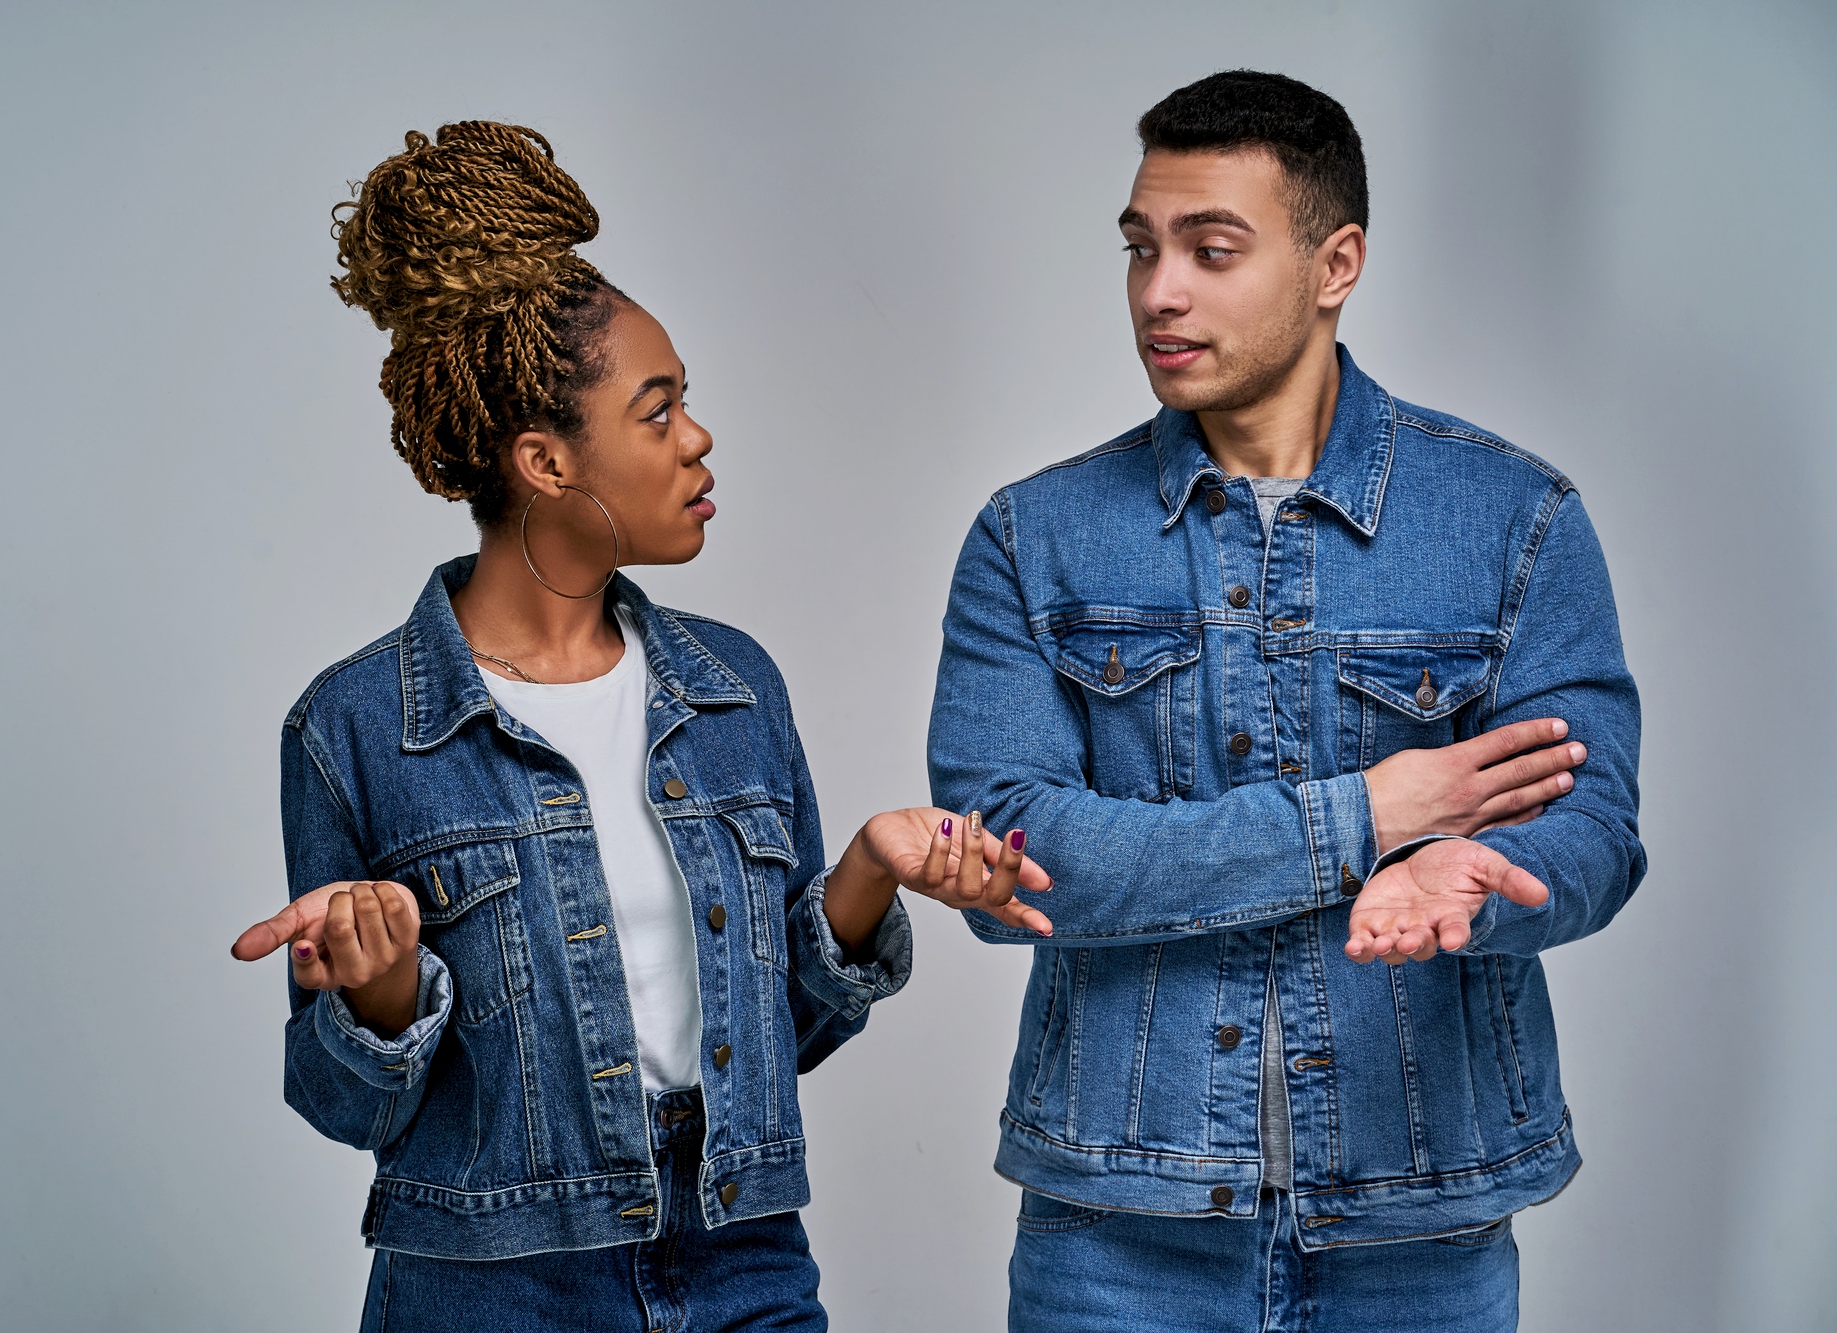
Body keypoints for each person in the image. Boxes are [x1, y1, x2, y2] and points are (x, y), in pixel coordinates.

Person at [228, 121, 1051, 1333]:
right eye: (656, 412)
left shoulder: (733, 690)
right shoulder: (356, 725)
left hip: (742, 1250)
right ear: (545, 461)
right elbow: (345, 1104)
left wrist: (866, 875)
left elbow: (792, 1032)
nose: (697, 439)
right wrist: (386, 992)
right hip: (493, 1282)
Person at [928, 71, 1644, 1332]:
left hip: (1420, 1220)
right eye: (1140, 248)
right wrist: (1362, 819)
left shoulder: (1513, 522)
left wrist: (1474, 878)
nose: (1159, 290)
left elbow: (1592, 832)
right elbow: (1011, 866)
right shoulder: (1029, 538)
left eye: (1212, 250)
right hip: (1116, 1228)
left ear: (1334, 263)